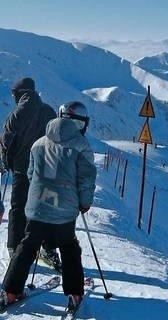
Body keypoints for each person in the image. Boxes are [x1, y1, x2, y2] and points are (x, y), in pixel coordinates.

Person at [0, 101, 97, 311]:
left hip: (37, 206)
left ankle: (10, 291)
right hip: (64, 210)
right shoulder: (82, 147)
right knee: (69, 247)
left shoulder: (39, 143)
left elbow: (30, 174)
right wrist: (85, 203)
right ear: (81, 124)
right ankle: (74, 294)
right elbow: (86, 180)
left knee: (27, 246)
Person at [0, 77, 61, 269]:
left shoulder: (17, 113)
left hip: (21, 168)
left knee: (18, 208)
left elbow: (6, 141)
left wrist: (7, 162)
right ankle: (48, 249)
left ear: (19, 93)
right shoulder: (49, 112)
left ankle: (15, 248)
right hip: (45, 171)